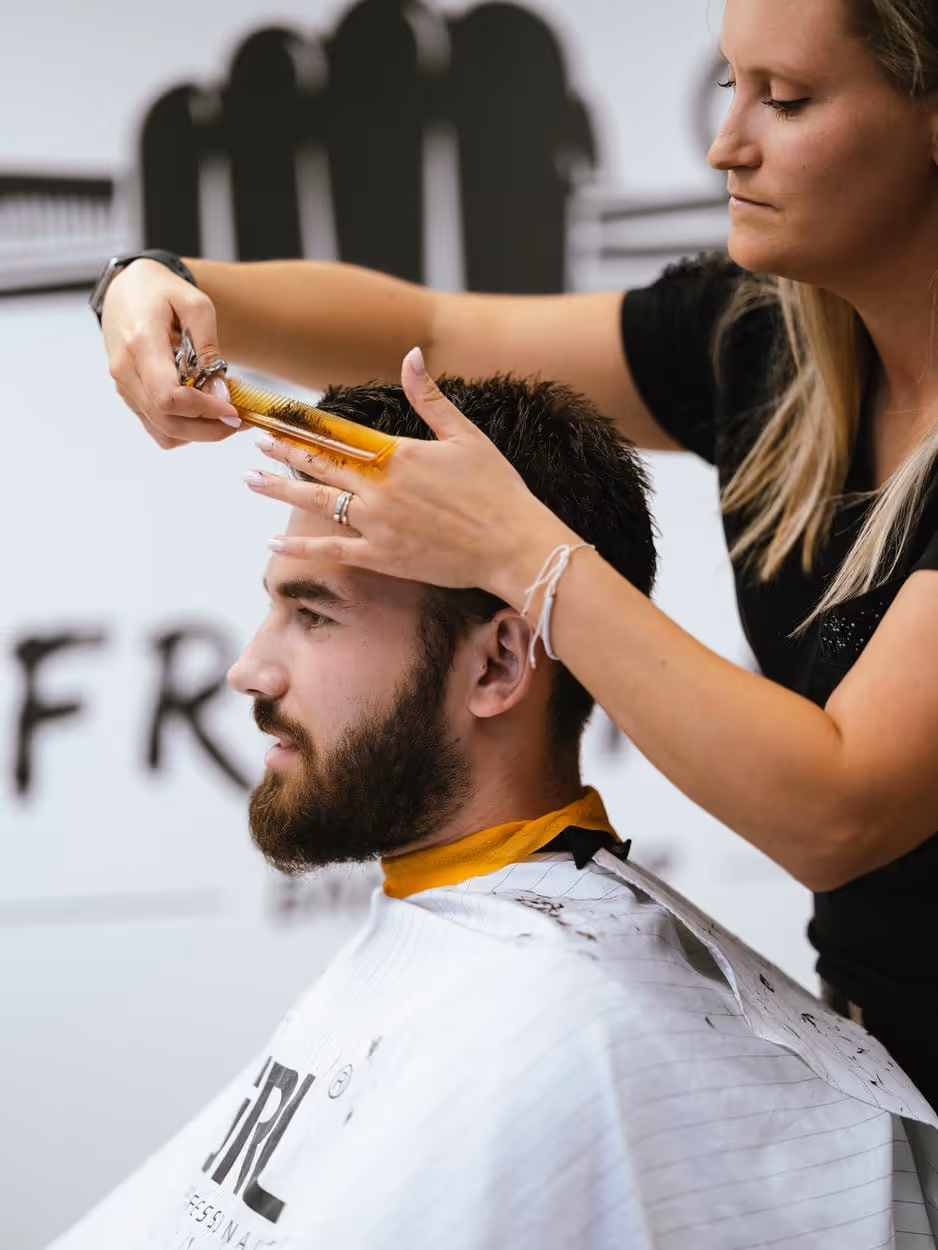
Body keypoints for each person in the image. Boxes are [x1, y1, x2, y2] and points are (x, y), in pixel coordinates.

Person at [97, 0, 938, 1106]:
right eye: (731, 86)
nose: (726, 142)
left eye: (785, 100)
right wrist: (160, 283)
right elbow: (433, 339)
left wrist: (518, 551)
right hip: (886, 1061)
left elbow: (838, 808)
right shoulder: (759, 339)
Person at [51, 378, 938, 1250]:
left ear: (497, 667)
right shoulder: (451, 933)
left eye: (313, 615)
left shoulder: (576, 1027)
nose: (249, 670)